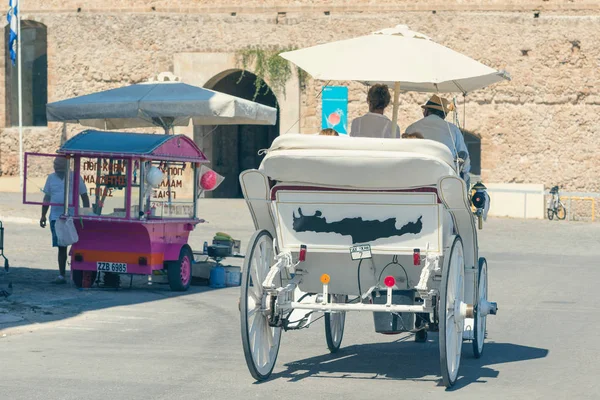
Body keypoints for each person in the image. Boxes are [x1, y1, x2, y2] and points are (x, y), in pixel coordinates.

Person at [40, 157, 90, 284]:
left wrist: (86, 213)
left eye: (61, 168)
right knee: (61, 246)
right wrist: (43, 215)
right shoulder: (51, 178)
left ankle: (79, 272)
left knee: (78, 244)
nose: (58, 170)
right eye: (56, 167)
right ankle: (62, 275)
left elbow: (84, 196)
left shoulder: (75, 177)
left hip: (73, 217)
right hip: (56, 217)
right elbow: (47, 197)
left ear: (67, 167)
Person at [405, 95, 471, 178]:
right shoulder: (453, 129)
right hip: (445, 177)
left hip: (416, 175)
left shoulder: (412, 127)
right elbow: (465, 158)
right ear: (444, 115)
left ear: (426, 111)